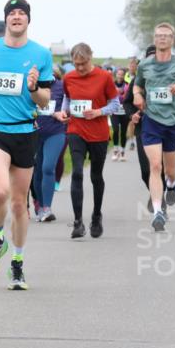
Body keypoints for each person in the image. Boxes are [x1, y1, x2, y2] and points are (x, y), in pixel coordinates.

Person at [0, 0, 53, 290]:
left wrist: (33, 87)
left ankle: (17, 264)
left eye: (22, 13)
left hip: (25, 132)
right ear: (5, 20)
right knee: (0, 191)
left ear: (28, 20)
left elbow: (45, 100)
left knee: (19, 205)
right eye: (12, 13)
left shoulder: (41, 54)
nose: (16, 17)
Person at [132, 22, 175, 231]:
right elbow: (138, 85)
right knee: (155, 166)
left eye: (166, 36)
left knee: (170, 170)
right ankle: (158, 211)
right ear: (154, 38)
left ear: (172, 39)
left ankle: (172, 184)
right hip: (151, 120)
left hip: (173, 122)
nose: (162, 38)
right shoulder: (145, 64)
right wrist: (137, 96)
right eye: (158, 35)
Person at [54, 42, 120, 238]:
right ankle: (77, 222)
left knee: (96, 176)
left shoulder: (104, 77)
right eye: (76, 64)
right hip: (76, 130)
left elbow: (115, 104)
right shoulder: (69, 77)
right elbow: (67, 98)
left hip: (98, 133)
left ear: (91, 58)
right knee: (76, 173)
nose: (80, 68)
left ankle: (96, 216)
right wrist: (65, 111)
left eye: (83, 63)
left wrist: (99, 111)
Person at [124, 45, 165, 212]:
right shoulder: (138, 80)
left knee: (158, 166)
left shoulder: (169, 78)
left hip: (164, 128)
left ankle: (159, 203)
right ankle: (156, 194)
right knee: (145, 170)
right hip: (143, 128)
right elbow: (127, 102)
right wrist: (132, 115)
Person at [31, 63, 66, 222]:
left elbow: (70, 104)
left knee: (48, 167)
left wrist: (63, 112)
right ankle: (39, 206)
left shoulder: (62, 86)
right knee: (37, 170)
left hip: (56, 132)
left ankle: (47, 208)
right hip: (34, 133)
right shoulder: (33, 87)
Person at [111, 68, 130, 161]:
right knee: (115, 130)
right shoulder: (111, 85)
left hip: (124, 111)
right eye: (118, 74)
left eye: (122, 74)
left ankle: (122, 152)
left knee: (123, 132)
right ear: (116, 75)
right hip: (114, 111)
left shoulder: (127, 85)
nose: (120, 76)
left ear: (124, 76)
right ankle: (115, 150)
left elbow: (130, 97)